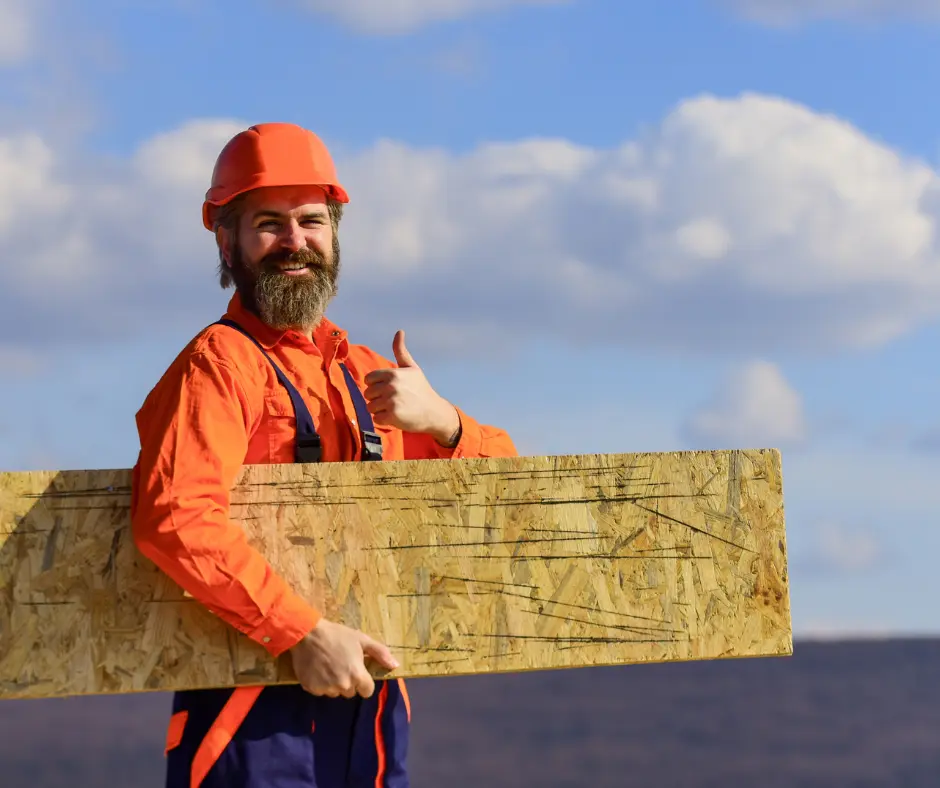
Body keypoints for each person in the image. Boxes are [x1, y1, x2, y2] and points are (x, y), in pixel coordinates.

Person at [129, 122, 518, 788]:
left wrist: (445, 423)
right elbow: (176, 517)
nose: (294, 242)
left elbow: (513, 499)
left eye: (312, 221)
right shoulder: (218, 366)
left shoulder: (367, 375)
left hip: (370, 699)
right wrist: (302, 634)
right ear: (226, 239)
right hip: (247, 701)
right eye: (267, 223)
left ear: (335, 233)